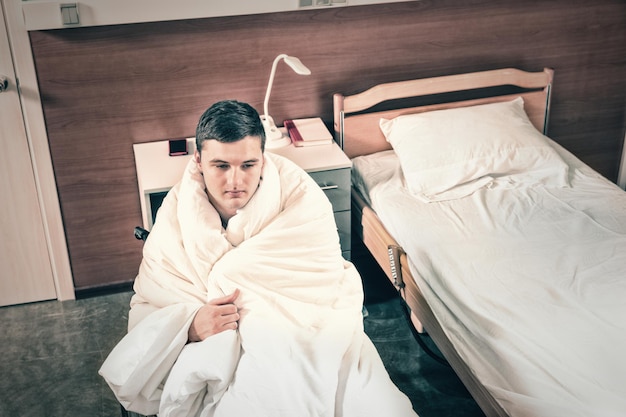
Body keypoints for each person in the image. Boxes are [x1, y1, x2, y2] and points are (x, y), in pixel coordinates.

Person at [100, 100, 418, 417]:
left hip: (301, 327)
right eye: (221, 166)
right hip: (212, 339)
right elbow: (150, 306)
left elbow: (320, 284)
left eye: (247, 165)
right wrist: (190, 326)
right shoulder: (173, 217)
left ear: (263, 160)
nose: (235, 181)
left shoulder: (301, 199)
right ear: (198, 160)